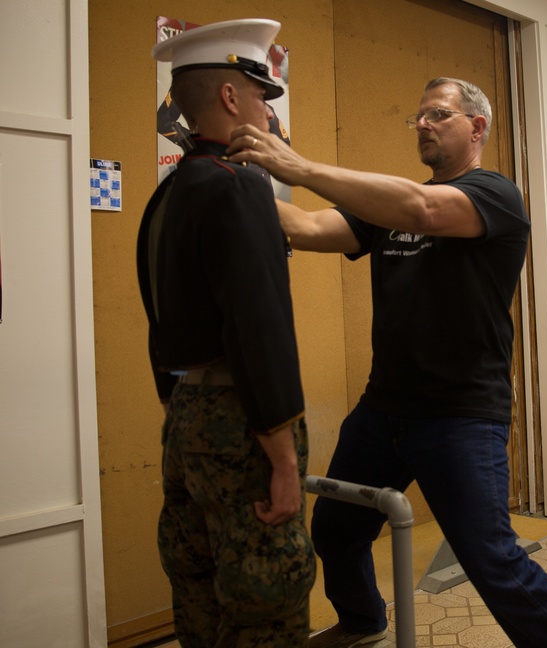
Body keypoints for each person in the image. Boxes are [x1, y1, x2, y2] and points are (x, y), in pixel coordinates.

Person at [227, 77, 547, 648]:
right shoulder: (386, 207)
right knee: (337, 528)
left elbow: (425, 208)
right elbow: (304, 227)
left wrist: (298, 166)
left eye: (438, 114)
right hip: (385, 409)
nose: (423, 123)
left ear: (476, 127)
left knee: (493, 561)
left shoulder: (496, 194)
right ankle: (362, 621)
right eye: (418, 116)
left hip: (462, 414)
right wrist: (240, 181)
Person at [137, 19, 315, 647]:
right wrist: (284, 462)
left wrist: (174, 402)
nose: (270, 110)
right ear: (231, 99)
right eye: (262, 95)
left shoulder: (171, 191)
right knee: (267, 594)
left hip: (186, 415)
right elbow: (258, 327)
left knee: (199, 589)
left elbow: (158, 307)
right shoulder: (241, 186)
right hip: (241, 422)